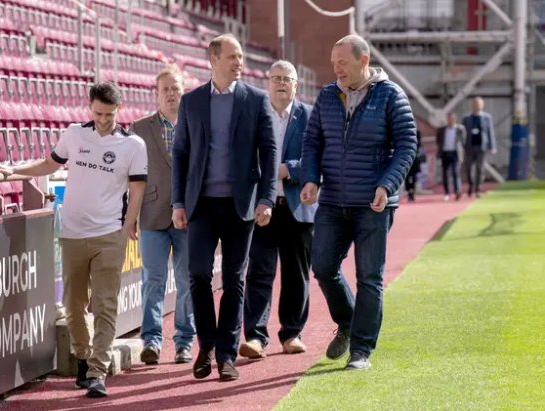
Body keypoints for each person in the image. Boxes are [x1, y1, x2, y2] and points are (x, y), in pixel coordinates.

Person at [0, 82, 147, 397]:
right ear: (89, 107)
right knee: (74, 305)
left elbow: (137, 191)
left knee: (105, 305)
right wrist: (14, 170)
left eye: (109, 114)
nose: (103, 119)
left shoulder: (133, 145)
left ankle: (97, 372)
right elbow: (49, 164)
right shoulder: (74, 134)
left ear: (119, 110)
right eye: (98, 113)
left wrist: (127, 228)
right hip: (73, 234)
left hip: (110, 235)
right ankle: (82, 355)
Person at [300, 34, 417, 370]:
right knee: (322, 266)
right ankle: (348, 323)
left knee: (369, 277)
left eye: (342, 63)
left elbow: (407, 146)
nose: (336, 69)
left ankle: (362, 350)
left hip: (373, 204)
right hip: (333, 201)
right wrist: (310, 178)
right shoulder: (327, 95)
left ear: (363, 61)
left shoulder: (391, 95)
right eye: (333, 63)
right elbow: (312, 143)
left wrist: (386, 185)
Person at [171, 34, 277, 381]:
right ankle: (207, 345)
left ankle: (227, 355)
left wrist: (266, 198)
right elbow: (181, 155)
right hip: (200, 204)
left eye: (242, 56)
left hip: (240, 206)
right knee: (198, 274)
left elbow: (269, 151)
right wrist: (177, 202)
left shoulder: (256, 100)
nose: (239, 62)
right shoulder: (192, 101)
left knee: (234, 279)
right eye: (232, 56)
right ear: (213, 59)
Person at [239, 60, 316, 359]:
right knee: (259, 272)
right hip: (262, 206)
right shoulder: (253, 115)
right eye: (276, 78)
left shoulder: (309, 116)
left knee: (297, 274)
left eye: (288, 79)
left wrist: (286, 170)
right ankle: (256, 337)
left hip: (298, 207)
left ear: (296, 85)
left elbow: (316, 158)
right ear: (267, 83)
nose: (282, 83)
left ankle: (292, 333)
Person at [129, 67, 195, 365]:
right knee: (152, 281)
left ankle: (184, 342)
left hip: (189, 218)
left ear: (184, 92)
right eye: (165, 89)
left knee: (187, 281)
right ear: (156, 94)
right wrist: (128, 217)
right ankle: (152, 342)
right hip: (152, 216)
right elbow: (130, 178)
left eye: (176, 88)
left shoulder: (197, 126)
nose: (171, 94)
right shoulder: (139, 129)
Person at [462, 97, 497, 198]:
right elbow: (462, 133)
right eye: (475, 104)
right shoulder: (467, 118)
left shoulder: (487, 117)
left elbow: (490, 132)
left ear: (482, 106)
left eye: (479, 104)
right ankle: (470, 185)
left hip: (482, 146)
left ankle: (478, 188)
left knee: (480, 168)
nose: (477, 106)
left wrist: (492, 146)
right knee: (468, 167)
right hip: (469, 146)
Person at [436, 113, 467, 201]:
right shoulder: (442, 129)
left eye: (452, 119)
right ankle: (447, 193)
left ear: (455, 119)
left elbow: (463, 141)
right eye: (449, 119)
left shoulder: (460, 129)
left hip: (455, 153)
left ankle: (457, 192)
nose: (450, 121)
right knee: (445, 174)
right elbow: (438, 141)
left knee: (455, 173)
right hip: (445, 153)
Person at [404, 130, 422, 202]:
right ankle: (409, 192)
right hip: (406, 158)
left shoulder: (417, 133)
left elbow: (419, 144)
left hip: (414, 158)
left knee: (414, 176)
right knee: (407, 176)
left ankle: (412, 192)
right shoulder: (404, 132)